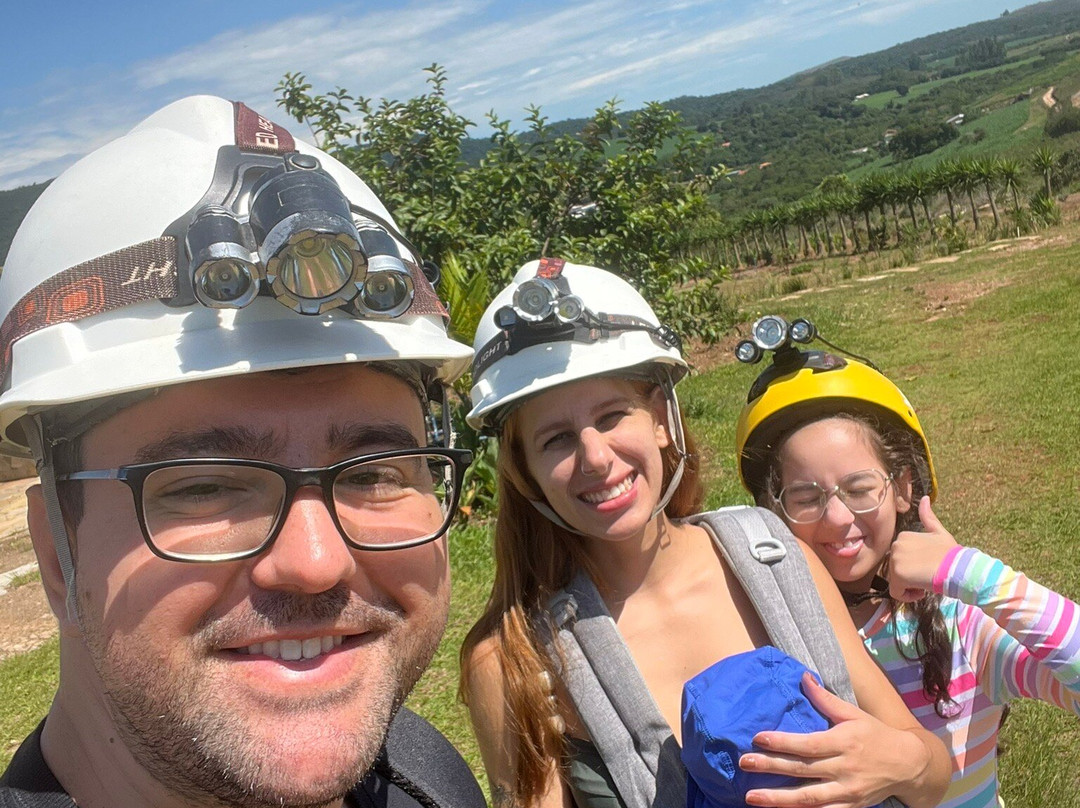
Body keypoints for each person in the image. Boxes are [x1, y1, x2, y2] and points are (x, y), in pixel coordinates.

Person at [0, 95, 486, 808]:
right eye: (203, 487)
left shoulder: (425, 781)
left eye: (376, 472)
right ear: (54, 549)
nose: (316, 563)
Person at [459, 260, 950, 808]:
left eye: (613, 415)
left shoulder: (774, 558)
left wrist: (897, 761)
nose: (595, 457)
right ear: (525, 470)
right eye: (555, 439)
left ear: (662, 419)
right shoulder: (517, 662)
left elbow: (932, 773)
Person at [734, 314, 1080, 808]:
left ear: (902, 489)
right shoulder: (774, 629)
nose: (836, 518)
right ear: (776, 511)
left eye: (859, 489)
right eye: (805, 497)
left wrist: (968, 572)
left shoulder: (960, 625)